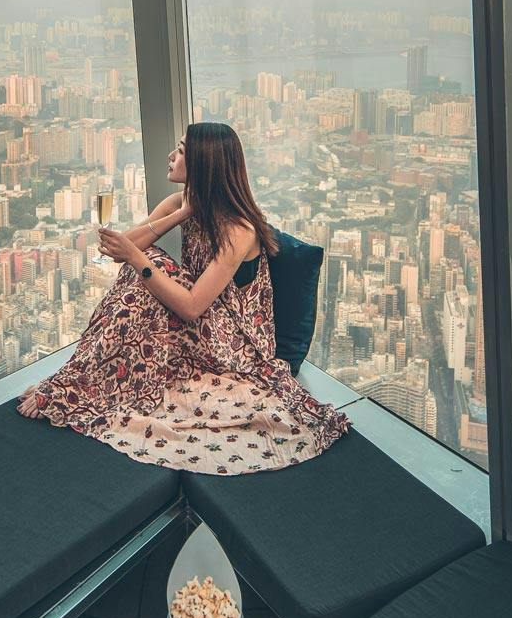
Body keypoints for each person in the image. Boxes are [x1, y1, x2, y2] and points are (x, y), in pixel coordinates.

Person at [18, 122, 349, 474]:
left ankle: (76, 383)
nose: (171, 156)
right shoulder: (180, 204)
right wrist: (179, 214)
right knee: (145, 265)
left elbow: (191, 307)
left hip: (233, 342)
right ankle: (78, 378)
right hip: (201, 320)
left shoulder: (239, 229)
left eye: (180, 151)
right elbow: (118, 250)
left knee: (148, 265)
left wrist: (139, 259)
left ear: (204, 165)